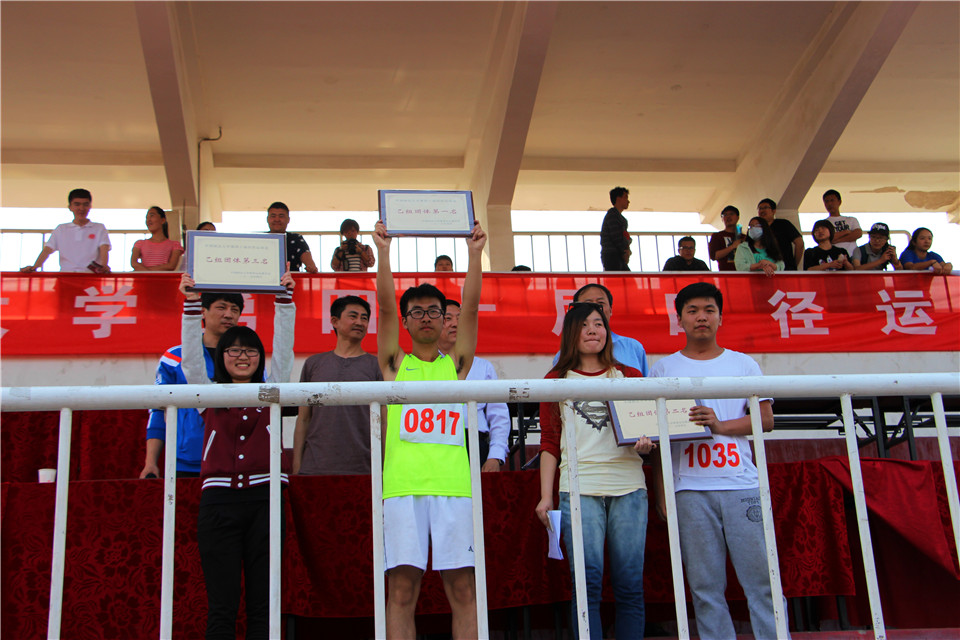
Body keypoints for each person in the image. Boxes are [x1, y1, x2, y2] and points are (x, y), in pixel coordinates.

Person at [373, 218, 486, 639]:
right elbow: (385, 307)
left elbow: (471, 309)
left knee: (463, 589)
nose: (426, 318)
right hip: (402, 488)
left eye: (434, 312)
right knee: (402, 590)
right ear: (405, 322)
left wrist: (474, 254)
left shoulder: (456, 364)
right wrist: (383, 252)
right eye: (417, 312)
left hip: (454, 488)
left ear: (444, 320)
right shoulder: (394, 364)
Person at [650, 282, 783, 640]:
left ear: (720, 317)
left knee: (763, 581)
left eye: (709, 310)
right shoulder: (663, 369)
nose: (701, 317)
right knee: (705, 587)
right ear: (679, 319)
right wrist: (663, 491)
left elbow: (765, 419)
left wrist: (721, 426)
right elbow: (657, 437)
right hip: (690, 489)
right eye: (692, 311)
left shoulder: (743, 364)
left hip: (742, 485)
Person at [179, 268, 296, 640]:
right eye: (233, 350)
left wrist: (285, 302)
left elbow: (285, 352)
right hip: (218, 502)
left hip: (266, 500)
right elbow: (190, 362)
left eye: (250, 350)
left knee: (263, 605)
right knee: (222, 605)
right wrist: (190, 305)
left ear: (260, 357)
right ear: (221, 356)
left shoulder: (273, 392)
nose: (242, 356)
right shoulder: (207, 393)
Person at [535, 301, 654, 640]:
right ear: (570, 333)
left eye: (599, 323)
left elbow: (647, 430)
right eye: (584, 324)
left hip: (629, 487)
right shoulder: (556, 380)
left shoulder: (630, 376)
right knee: (586, 585)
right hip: (579, 488)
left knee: (629, 583)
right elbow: (549, 442)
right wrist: (545, 497)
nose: (592, 330)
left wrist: (647, 444)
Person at [139, 290, 246, 479]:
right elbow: (158, 410)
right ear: (202, 311)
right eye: (221, 307)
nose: (228, 314)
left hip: (236, 461)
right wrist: (151, 462)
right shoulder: (174, 358)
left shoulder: (247, 359)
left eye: (235, 309)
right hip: (186, 462)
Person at [293, 295, 383, 475]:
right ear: (335, 321)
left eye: (364, 318)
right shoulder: (314, 364)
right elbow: (303, 419)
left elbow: (385, 421)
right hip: (315, 467)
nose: (359, 322)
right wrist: (296, 466)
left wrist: (384, 466)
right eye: (353, 316)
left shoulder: (376, 366)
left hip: (364, 468)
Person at [438, 300, 509, 471]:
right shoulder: (422, 365)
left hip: (475, 444)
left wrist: (495, 455)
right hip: (435, 443)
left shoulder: (483, 367)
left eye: (459, 318)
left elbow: (498, 415)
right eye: (448, 318)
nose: (455, 324)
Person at [553, 283, 649, 375]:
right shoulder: (562, 356)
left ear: (610, 310)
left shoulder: (633, 348)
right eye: (588, 304)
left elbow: (645, 384)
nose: (595, 308)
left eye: (601, 303)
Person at [21, 188, 110, 273]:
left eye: (85, 204)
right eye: (77, 204)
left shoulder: (99, 228)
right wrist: (34, 267)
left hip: (90, 277)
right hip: (66, 276)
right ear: (70, 207)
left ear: (90, 206)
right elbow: (47, 250)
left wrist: (104, 266)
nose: (81, 208)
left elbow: (104, 248)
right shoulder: (61, 229)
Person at [267, 201, 319, 273]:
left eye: (281, 216)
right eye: (273, 216)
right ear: (267, 219)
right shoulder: (258, 240)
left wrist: (311, 267)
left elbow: (309, 263)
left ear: (288, 219)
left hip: (291, 279)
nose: (277, 219)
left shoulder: (296, 239)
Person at [756, 198, 804, 271]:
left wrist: (793, 264)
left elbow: (799, 243)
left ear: (774, 211)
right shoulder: (756, 228)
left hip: (785, 268)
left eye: (765, 207)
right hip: (763, 270)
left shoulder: (783, 224)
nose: (762, 211)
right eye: (760, 208)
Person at [131, 206, 184, 271]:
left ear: (162, 220)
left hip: (162, 278)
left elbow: (171, 266)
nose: (148, 220)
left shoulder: (175, 245)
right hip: (145, 277)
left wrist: (145, 271)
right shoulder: (140, 243)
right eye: (146, 218)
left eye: (152, 216)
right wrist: (151, 273)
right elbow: (134, 263)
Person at [600, 186, 632, 271]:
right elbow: (617, 237)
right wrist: (625, 252)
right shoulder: (613, 216)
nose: (628, 201)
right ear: (618, 199)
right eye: (625, 197)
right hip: (612, 256)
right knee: (625, 277)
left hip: (617, 255)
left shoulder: (618, 217)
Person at [822, 189, 861, 258]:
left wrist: (838, 240)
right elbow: (828, 238)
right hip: (834, 257)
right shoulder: (823, 223)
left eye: (832, 200)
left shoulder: (851, 219)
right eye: (827, 201)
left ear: (839, 202)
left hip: (853, 256)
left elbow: (858, 233)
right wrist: (846, 232)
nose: (829, 204)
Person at [708, 205, 743, 272]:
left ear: (738, 217)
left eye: (731, 214)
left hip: (744, 273)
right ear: (722, 219)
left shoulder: (744, 237)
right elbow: (714, 256)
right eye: (725, 215)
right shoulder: (717, 236)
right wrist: (732, 247)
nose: (728, 217)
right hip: (725, 274)